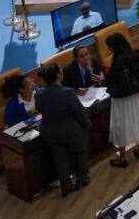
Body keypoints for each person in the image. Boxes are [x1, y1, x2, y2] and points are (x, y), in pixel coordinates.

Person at [35, 64, 91, 197]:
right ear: (59, 76)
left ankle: (66, 186)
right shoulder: (68, 92)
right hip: (71, 131)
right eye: (61, 71)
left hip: (50, 133)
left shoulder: (39, 93)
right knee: (80, 153)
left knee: (60, 159)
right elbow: (79, 112)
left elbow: (39, 109)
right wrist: (87, 123)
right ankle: (82, 179)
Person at [103, 33, 139, 167]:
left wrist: (102, 79)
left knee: (121, 126)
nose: (109, 49)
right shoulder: (137, 53)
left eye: (109, 47)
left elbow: (108, 81)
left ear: (115, 47)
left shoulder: (117, 61)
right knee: (138, 120)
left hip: (121, 99)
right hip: (135, 94)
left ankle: (123, 158)